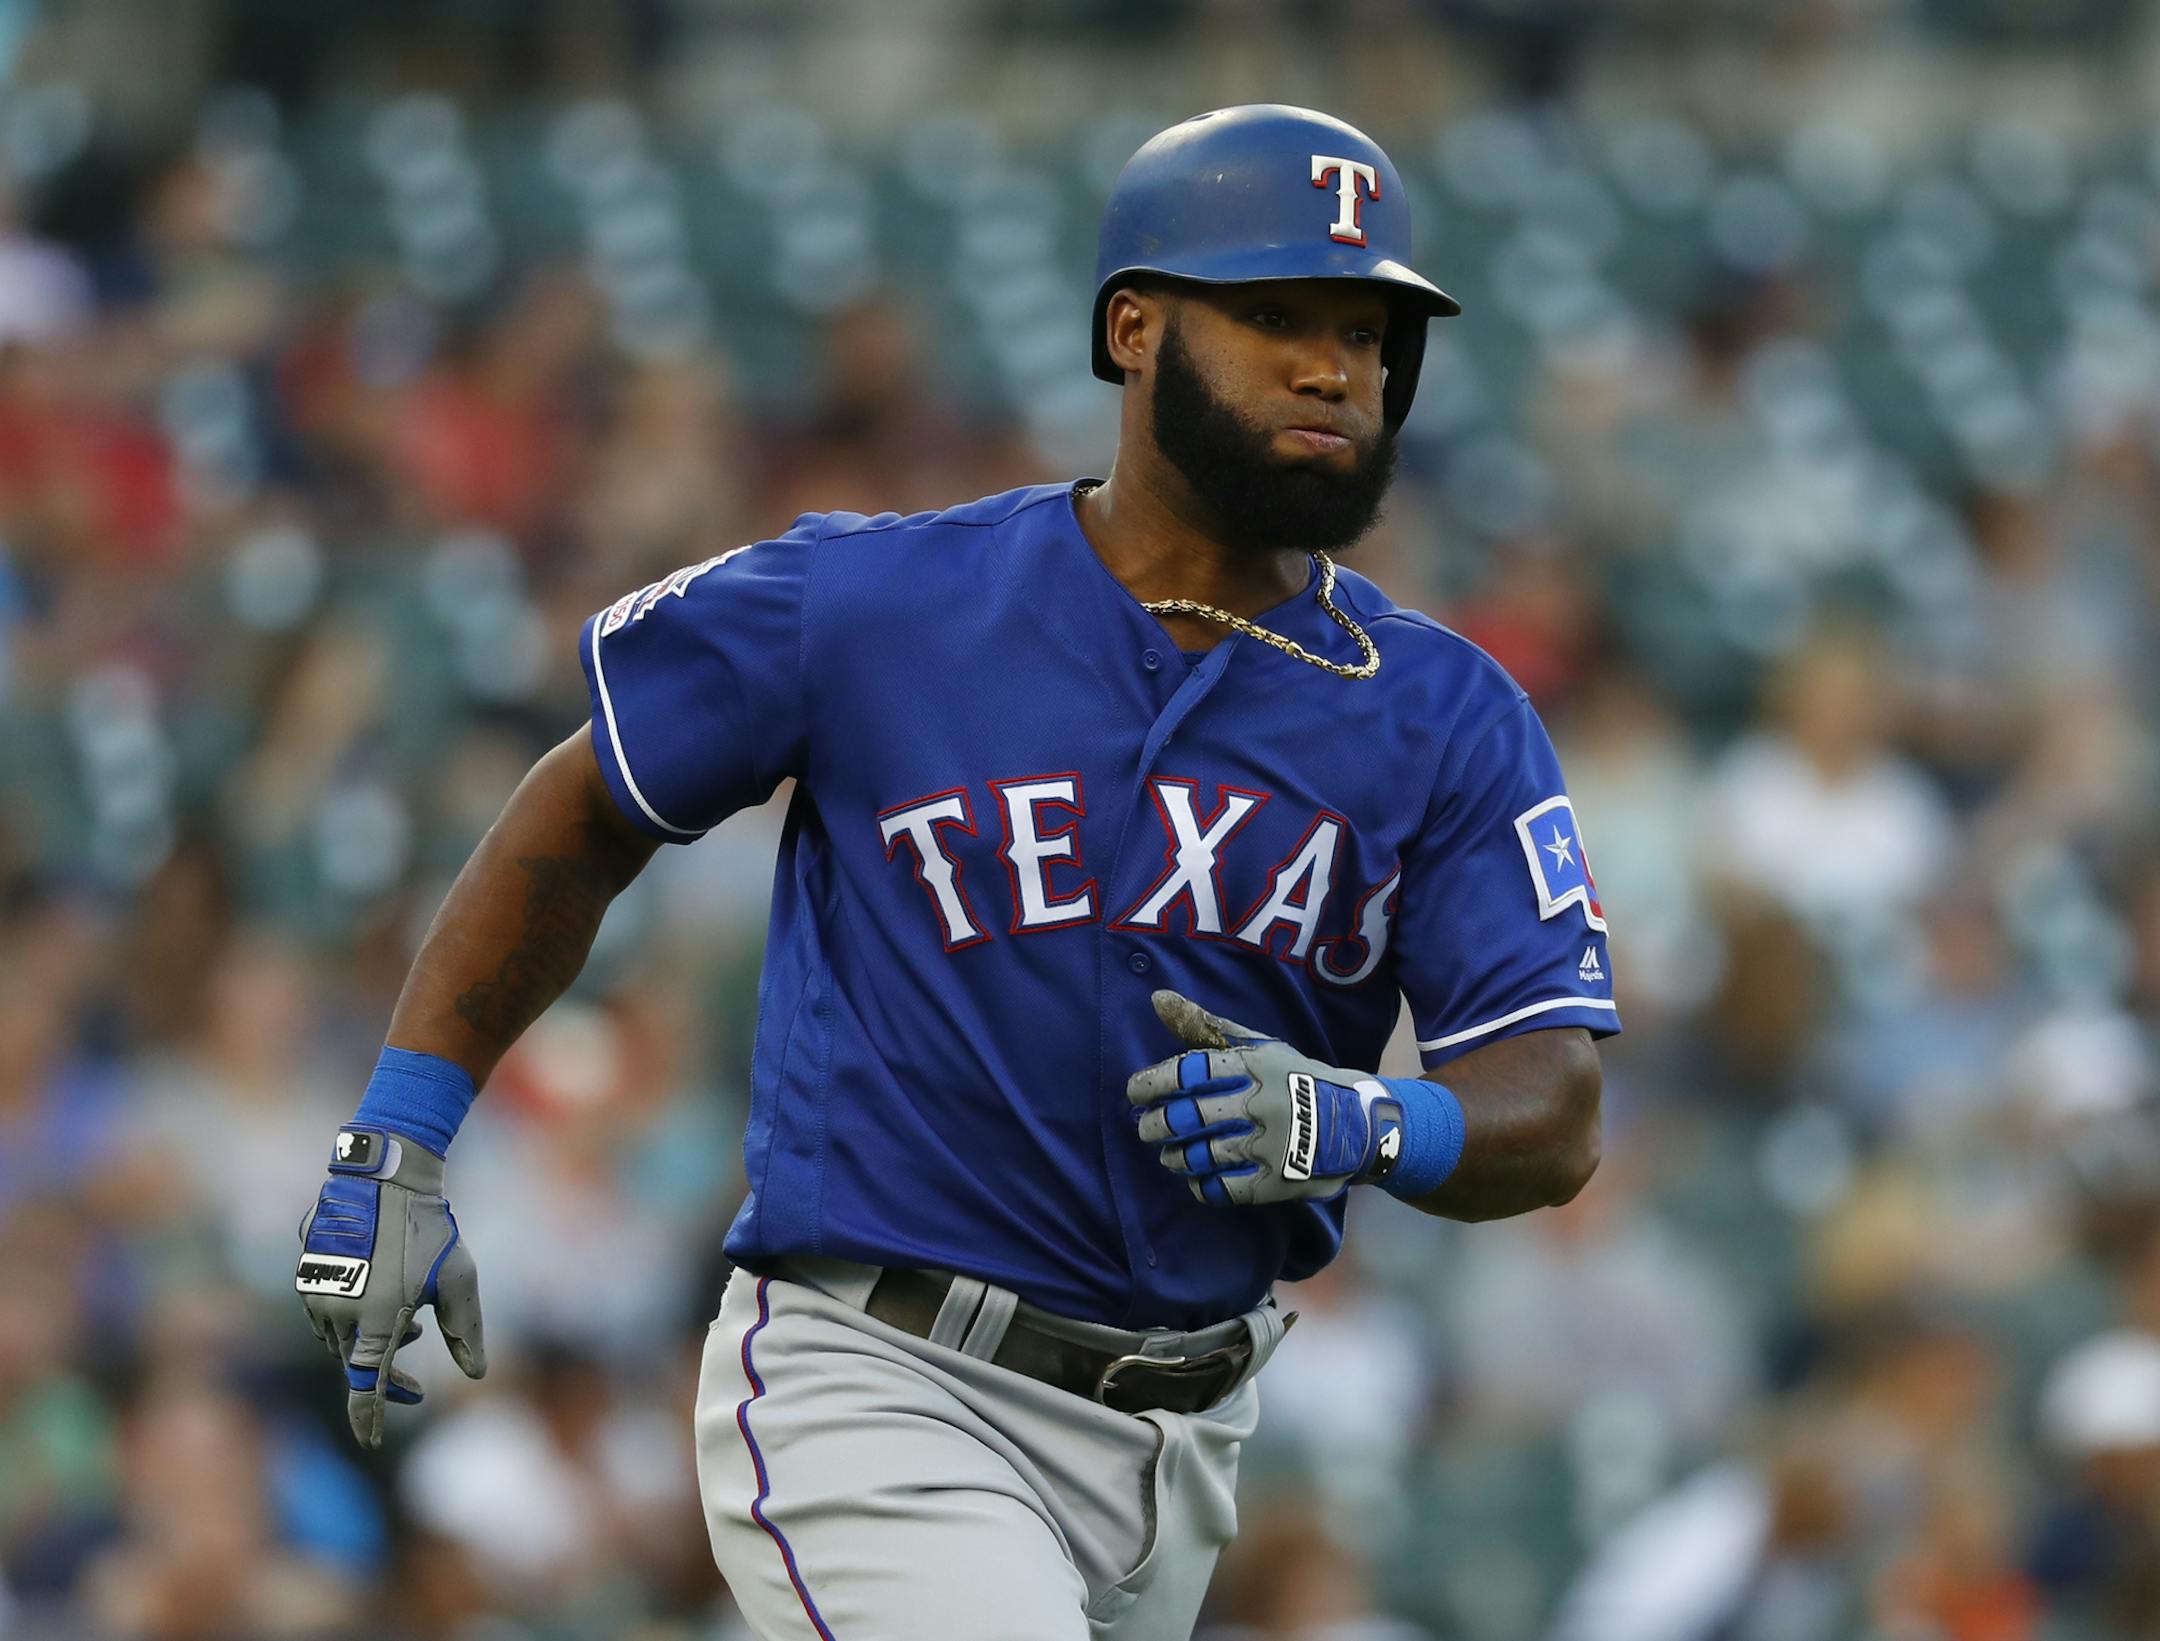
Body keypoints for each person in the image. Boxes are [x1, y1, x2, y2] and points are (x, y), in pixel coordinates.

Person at [294, 104, 1617, 1640]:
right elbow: (582, 806)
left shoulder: (1444, 711)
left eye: (1368, 331)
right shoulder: (875, 601)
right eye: (1273, 317)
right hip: (881, 1377)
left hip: (1188, 1434)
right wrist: (402, 1130)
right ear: (1135, 327)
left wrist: (1363, 1113)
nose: (1335, 367)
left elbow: (1557, 1103)